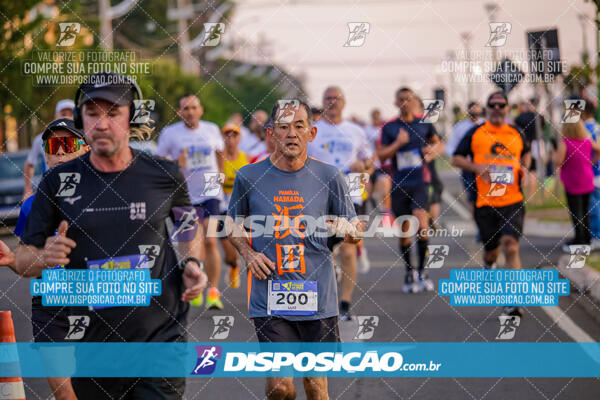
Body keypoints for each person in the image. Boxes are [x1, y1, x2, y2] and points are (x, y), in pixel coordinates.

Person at [14, 72, 207, 398]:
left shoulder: (163, 174)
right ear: (80, 118)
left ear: (131, 118)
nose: (102, 124)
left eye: (113, 113)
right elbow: (23, 257)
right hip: (91, 348)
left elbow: (188, 224)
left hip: (158, 341)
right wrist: (44, 258)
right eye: (92, 113)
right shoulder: (57, 183)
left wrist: (192, 263)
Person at [226, 99, 362, 400]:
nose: (291, 134)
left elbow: (356, 230)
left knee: (315, 386)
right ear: (271, 133)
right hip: (269, 295)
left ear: (311, 133)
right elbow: (231, 225)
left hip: (319, 296)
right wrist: (248, 254)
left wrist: (347, 230)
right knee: (279, 386)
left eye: (299, 126)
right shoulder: (249, 177)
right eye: (284, 127)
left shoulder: (330, 177)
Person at [5, 118, 90, 399]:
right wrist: (14, 260)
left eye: (68, 144)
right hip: (50, 305)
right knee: (66, 394)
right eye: (54, 145)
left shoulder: (105, 196)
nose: (61, 152)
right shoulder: (32, 204)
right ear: (45, 153)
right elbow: (26, 261)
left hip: (98, 303)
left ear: (86, 149)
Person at [452, 91, 531, 317]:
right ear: (487, 108)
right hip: (485, 202)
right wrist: (477, 168)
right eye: (493, 105)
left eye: (501, 105)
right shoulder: (476, 133)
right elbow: (456, 158)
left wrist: (524, 170)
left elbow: (526, 155)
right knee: (491, 252)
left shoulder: (516, 132)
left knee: (511, 246)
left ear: (508, 109)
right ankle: (489, 264)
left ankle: (513, 301)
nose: (497, 109)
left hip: (512, 200)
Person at [308, 86, 374, 321]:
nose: (332, 102)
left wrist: (364, 166)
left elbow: (370, 161)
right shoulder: (313, 131)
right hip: (320, 196)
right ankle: (323, 297)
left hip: (352, 195)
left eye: (337, 99)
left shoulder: (355, 130)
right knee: (321, 250)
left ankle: (344, 304)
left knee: (348, 249)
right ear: (323, 102)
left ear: (344, 103)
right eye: (328, 99)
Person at [157, 94, 224, 310]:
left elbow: (220, 153)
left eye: (194, 108)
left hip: (211, 191)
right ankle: (195, 280)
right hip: (184, 194)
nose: (190, 112)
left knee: (211, 241)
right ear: (179, 112)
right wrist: (177, 163)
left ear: (201, 110)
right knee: (189, 244)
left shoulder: (212, 129)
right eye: (185, 108)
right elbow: (160, 161)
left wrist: (220, 176)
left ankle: (213, 291)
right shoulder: (170, 133)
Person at [377, 87, 444, 294]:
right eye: (401, 100)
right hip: (399, 184)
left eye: (408, 99)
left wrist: (432, 152)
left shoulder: (424, 123)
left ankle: (423, 272)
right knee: (405, 231)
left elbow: (439, 144)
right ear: (396, 103)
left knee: (421, 224)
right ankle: (409, 271)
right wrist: (398, 143)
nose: (405, 102)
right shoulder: (389, 127)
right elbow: (381, 156)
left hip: (420, 182)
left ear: (414, 101)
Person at [554, 119, 600, 251]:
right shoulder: (586, 141)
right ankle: (587, 239)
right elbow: (599, 150)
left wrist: (554, 156)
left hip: (572, 182)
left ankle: (579, 242)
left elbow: (558, 161)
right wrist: (591, 162)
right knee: (585, 212)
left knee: (576, 213)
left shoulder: (565, 143)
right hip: (587, 179)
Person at [22, 99, 75, 200]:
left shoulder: (87, 137)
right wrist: (28, 189)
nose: (68, 117)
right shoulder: (40, 139)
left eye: (71, 114)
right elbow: (29, 164)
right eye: (63, 114)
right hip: (51, 188)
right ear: (56, 116)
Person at [219, 122, 249, 288]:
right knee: (229, 254)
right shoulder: (218, 158)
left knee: (242, 244)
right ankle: (233, 266)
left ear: (239, 138)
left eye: (234, 135)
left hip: (240, 209)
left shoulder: (245, 158)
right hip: (222, 208)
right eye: (227, 135)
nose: (231, 139)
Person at [446, 102, 484, 210]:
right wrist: (460, 159)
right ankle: (476, 222)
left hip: (485, 166)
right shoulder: (460, 127)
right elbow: (451, 147)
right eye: (473, 113)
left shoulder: (486, 125)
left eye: (477, 113)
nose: (475, 116)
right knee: (471, 196)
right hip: (468, 167)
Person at [582, 102, 600, 250]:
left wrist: (588, 164)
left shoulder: (585, 130)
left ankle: (596, 236)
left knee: (594, 207)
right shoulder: (597, 126)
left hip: (593, 173)